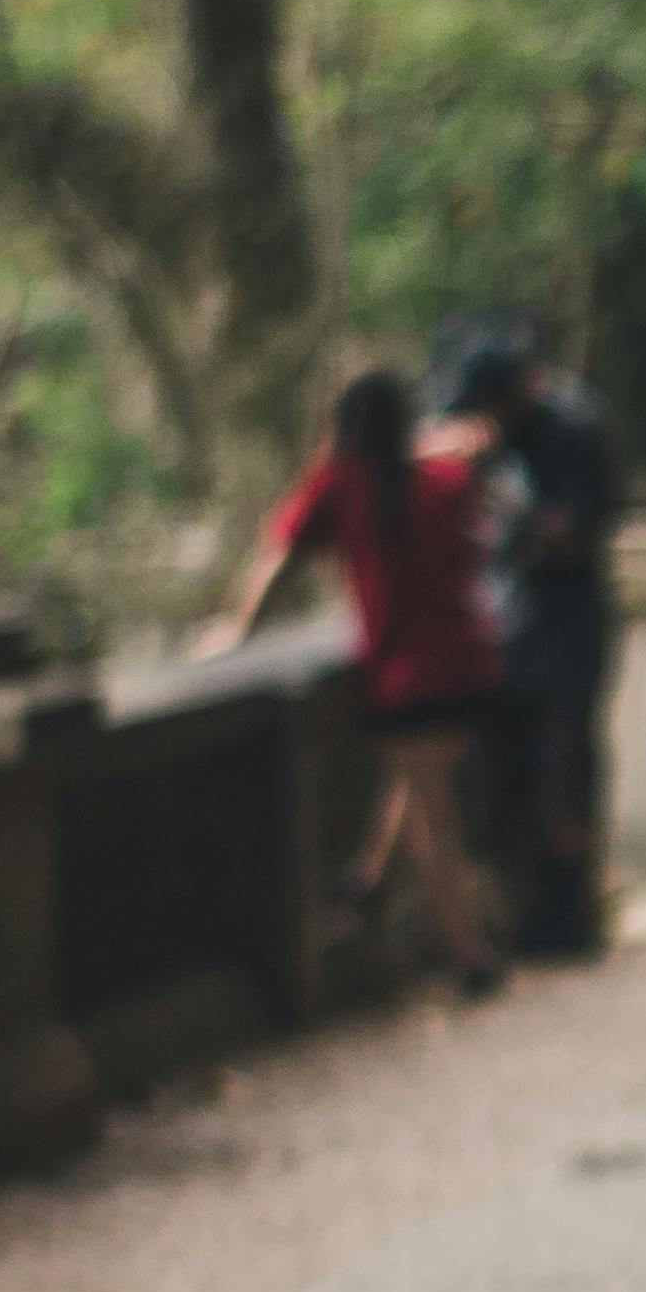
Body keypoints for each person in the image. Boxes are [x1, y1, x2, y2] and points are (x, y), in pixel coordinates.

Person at [204, 366, 503, 994]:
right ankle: (366, 879)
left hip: (404, 677)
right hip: (469, 664)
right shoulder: (441, 479)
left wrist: (236, 632)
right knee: (417, 782)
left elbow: (278, 559)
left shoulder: (341, 484)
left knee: (432, 820)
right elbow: (472, 476)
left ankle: (470, 955)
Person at [442, 330, 622, 959]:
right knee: (499, 784)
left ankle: (574, 921)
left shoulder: (571, 432)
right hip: (500, 639)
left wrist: (502, 492)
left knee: (565, 774)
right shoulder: (475, 444)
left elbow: (572, 531)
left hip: (567, 632)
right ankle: (522, 923)